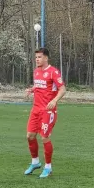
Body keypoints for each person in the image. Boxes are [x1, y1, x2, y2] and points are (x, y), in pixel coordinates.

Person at [24, 47, 66, 178]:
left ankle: (48, 167)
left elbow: (62, 89)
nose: (37, 59)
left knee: (44, 137)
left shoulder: (54, 72)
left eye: (40, 57)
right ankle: (35, 162)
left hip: (48, 111)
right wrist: (32, 89)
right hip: (35, 109)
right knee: (30, 136)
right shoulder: (36, 72)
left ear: (46, 58)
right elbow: (40, 85)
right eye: (36, 57)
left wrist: (54, 100)